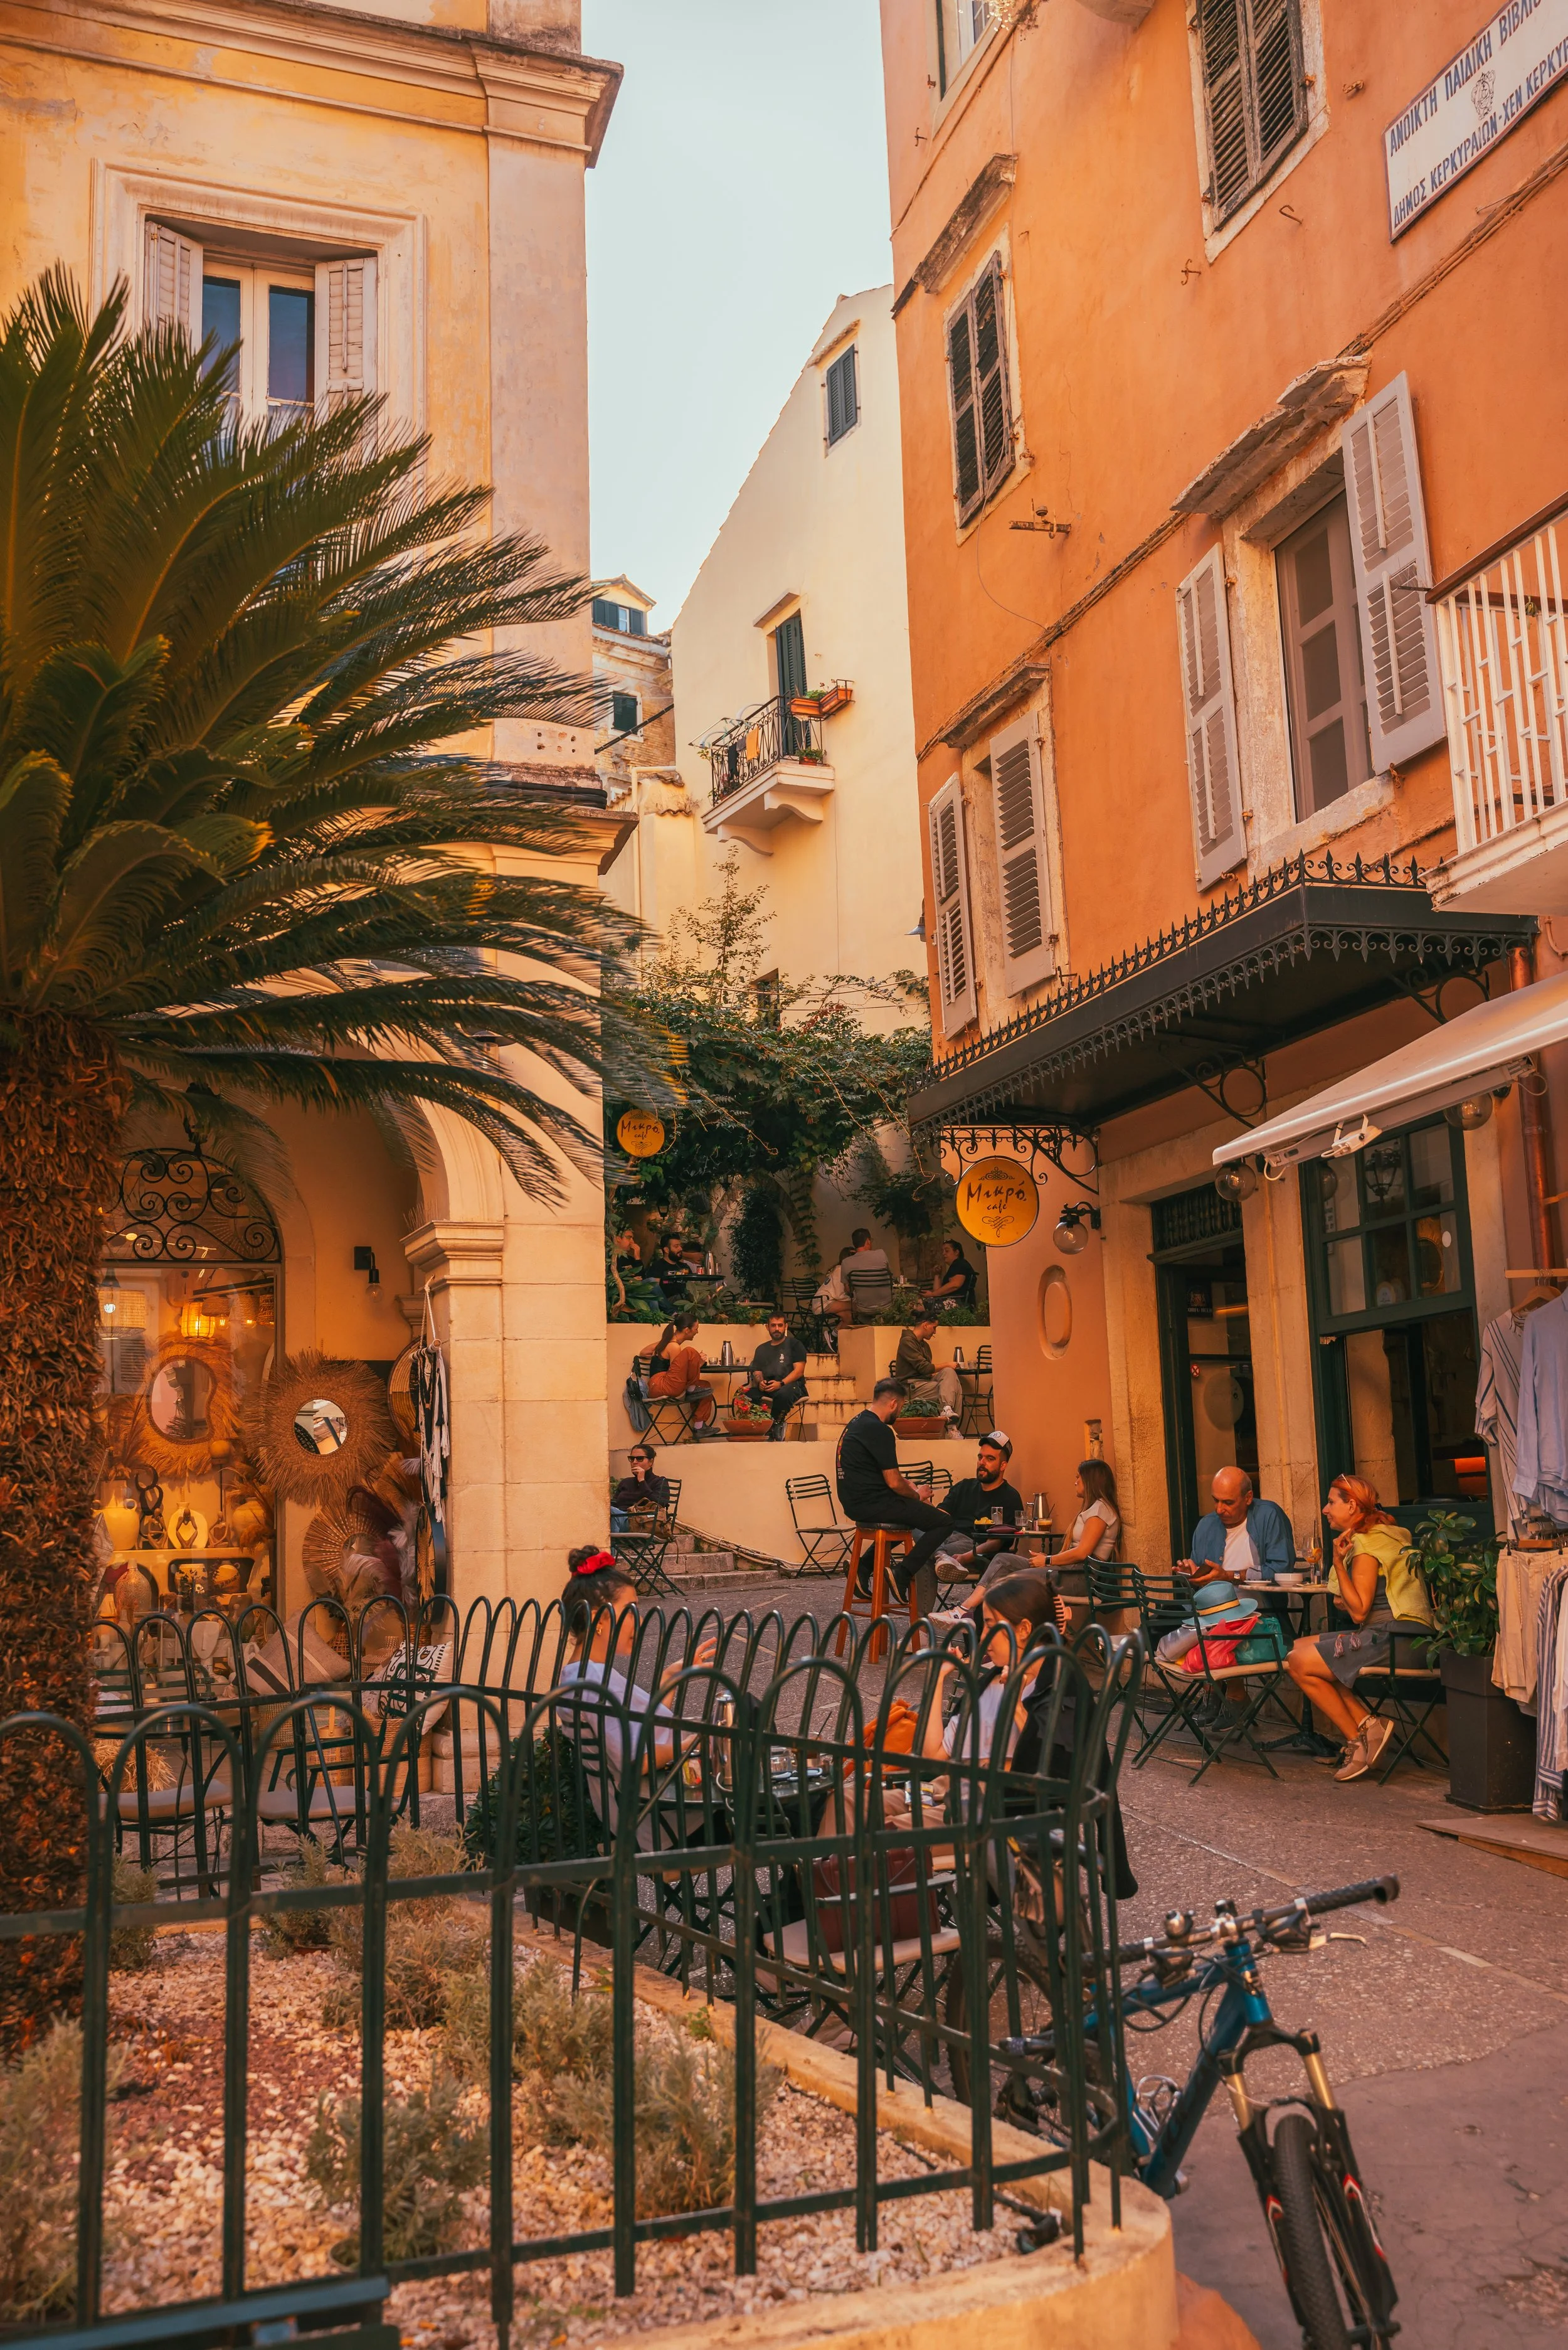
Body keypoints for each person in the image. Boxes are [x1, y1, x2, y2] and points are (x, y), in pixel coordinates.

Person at [1284, 1474, 1433, 1782]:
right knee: (1300, 1649)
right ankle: (1369, 1725)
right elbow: (1347, 1603)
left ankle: (1358, 1740)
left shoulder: (1364, 1544)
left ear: (1352, 1505)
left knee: (1299, 1662)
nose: (1325, 1510)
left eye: (1331, 1502)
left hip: (1394, 1639)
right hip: (1412, 1637)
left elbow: (1357, 1610)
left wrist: (1339, 1562)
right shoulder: (1389, 1534)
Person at [554, 1549, 715, 1781]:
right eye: (630, 1610)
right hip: (645, 1807)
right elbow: (633, 1762)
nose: (640, 1621)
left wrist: (671, 1675)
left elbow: (644, 1726)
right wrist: (690, 1743)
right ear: (598, 1619)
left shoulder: (580, 1674)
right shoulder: (593, 1680)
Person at [835, 1378, 954, 1617]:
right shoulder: (880, 1430)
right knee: (943, 1522)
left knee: (907, 1517)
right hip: (874, 1504)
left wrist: (906, 1486)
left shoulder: (856, 1422)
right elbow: (892, 1482)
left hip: (855, 1502)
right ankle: (902, 1574)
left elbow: (881, 1475)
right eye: (900, 1408)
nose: (899, 1413)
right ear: (893, 1403)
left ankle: (863, 1568)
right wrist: (917, 1495)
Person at [936, 1432, 1026, 1583]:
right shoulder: (964, 1487)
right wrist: (919, 1500)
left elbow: (996, 1542)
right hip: (947, 1538)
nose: (982, 1462)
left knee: (924, 1554)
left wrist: (966, 1557)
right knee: (918, 1529)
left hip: (975, 1548)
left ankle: (938, 1554)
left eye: (990, 1459)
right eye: (980, 1457)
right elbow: (937, 1517)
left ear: (1003, 1465)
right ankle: (940, 1555)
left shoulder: (1010, 1497)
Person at [1180, 1467, 1294, 1587]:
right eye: (1215, 1500)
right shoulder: (1206, 1525)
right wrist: (1190, 1576)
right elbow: (1196, 1587)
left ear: (1248, 1498)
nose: (1219, 1510)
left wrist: (1230, 1576)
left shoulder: (1269, 1516)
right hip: (1213, 1605)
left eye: (1228, 1503)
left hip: (1259, 1604)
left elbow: (1282, 1571)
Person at [636, 1316, 717, 1432]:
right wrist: (698, 1364)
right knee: (690, 1352)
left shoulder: (668, 1344)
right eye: (696, 1329)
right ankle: (692, 1389)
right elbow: (678, 1375)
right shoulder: (674, 1346)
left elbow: (644, 1352)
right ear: (687, 1330)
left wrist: (663, 1348)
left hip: (658, 1385)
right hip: (662, 1385)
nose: (697, 1332)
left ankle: (699, 1427)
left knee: (705, 1386)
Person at [741, 1314, 808, 1438]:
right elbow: (757, 1371)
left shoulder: (795, 1345)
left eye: (780, 1325)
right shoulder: (761, 1349)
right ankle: (760, 1425)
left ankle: (775, 1425)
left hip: (791, 1386)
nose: (777, 1329)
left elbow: (799, 1371)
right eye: (773, 1326)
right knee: (746, 1395)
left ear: (786, 1327)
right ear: (767, 1327)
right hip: (769, 1387)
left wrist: (781, 1383)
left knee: (784, 1393)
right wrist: (760, 1382)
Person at [1052, 1459, 1122, 1568]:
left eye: (1078, 1477)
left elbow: (1082, 1553)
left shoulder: (1101, 1509)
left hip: (1079, 1572)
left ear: (1090, 1481)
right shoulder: (1095, 1507)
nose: (1076, 1482)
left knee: (1020, 1578)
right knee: (1015, 1563)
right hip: (1071, 1568)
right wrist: (1050, 1558)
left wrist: (1048, 1560)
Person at [893, 1314, 962, 1424]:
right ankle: (951, 1427)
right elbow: (924, 1368)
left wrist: (939, 1372)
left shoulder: (925, 1346)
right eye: (934, 1327)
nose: (935, 1332)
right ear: (925, 1325)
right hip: (910, 1387)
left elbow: (926, 1371)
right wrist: (948, 1364)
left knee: (950, 1374)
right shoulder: (907, 1342)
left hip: (924, 1384)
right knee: (952, 1388)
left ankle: (948, 1411)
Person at [610, 1445, 670, 1530]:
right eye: (632, 1459)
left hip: (643, 1522)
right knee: (606, 1511)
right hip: (620, 1518)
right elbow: (614, 1503)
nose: (635, 1462)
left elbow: (659, 1505)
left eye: (640, 1459)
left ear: (651, 1462)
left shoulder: (660, 1481)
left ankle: (611, 1543)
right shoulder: (626, 1482)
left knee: (611, 1512)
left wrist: (642, 1481)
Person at [922, 1237, 977, 1314]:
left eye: (947, 1251)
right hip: (950, 1302)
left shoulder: (960, 1264)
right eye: (943, 1251)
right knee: (920, 1304)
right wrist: (938, 1275)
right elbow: (937, 1291)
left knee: (917, 1305)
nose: (943, 1253)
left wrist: (932, 1295)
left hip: (959, 1304)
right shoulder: (955, 1266)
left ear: (957, 1252)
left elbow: (955, 1285)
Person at [654, 1233, 692, 1303]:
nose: (681, 1249)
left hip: (688, 1296)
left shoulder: (685, 1267)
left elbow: (693, 1284)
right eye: (676, 1246)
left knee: (707, 1296)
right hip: (668, 1301)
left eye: (680, 1246)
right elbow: (655, 1290)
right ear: (666, 1250)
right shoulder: (657, 1267)